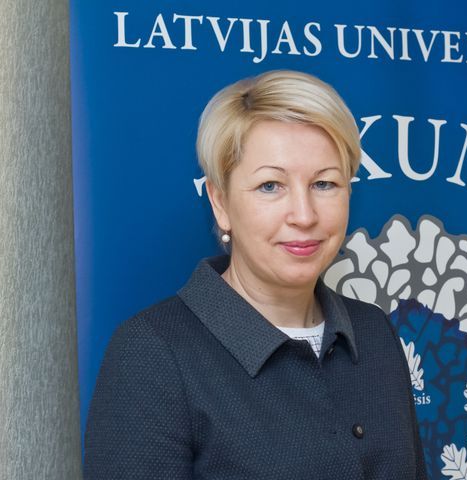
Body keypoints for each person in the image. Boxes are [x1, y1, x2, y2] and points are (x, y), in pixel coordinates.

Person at [83, 70, 428, 479]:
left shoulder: (373, 330)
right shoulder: (153, 354)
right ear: (220, 202)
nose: (304, 215)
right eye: (270, 186)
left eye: (324, 184)